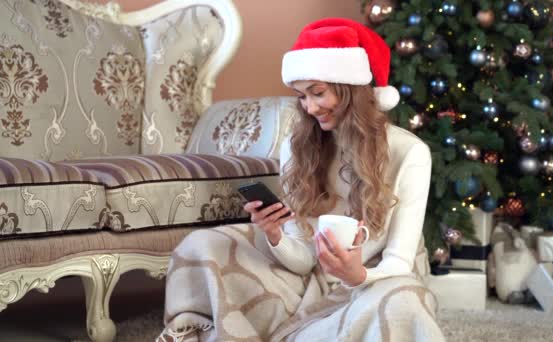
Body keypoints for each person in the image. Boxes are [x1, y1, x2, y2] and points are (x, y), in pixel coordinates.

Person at [158, 18, 445, 342]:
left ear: (351, 89)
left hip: (378, 279)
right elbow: (304, 259)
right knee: (203, 245)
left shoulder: (410, 154)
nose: (309, 108)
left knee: (400, 302)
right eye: (301, 96)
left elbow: (399, 264)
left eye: (317, 93)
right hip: (307, 281)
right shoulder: (299, 148)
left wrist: (356, 274)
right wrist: (275, 234)